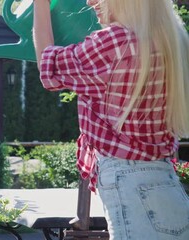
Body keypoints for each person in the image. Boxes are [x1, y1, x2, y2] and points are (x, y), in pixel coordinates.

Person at [32, 0, 189, 239]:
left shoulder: (116, 42)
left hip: (128, 185)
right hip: (166, 182)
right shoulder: (174, 38)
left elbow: (49, 67)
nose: (90, 1)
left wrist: (40, 5)